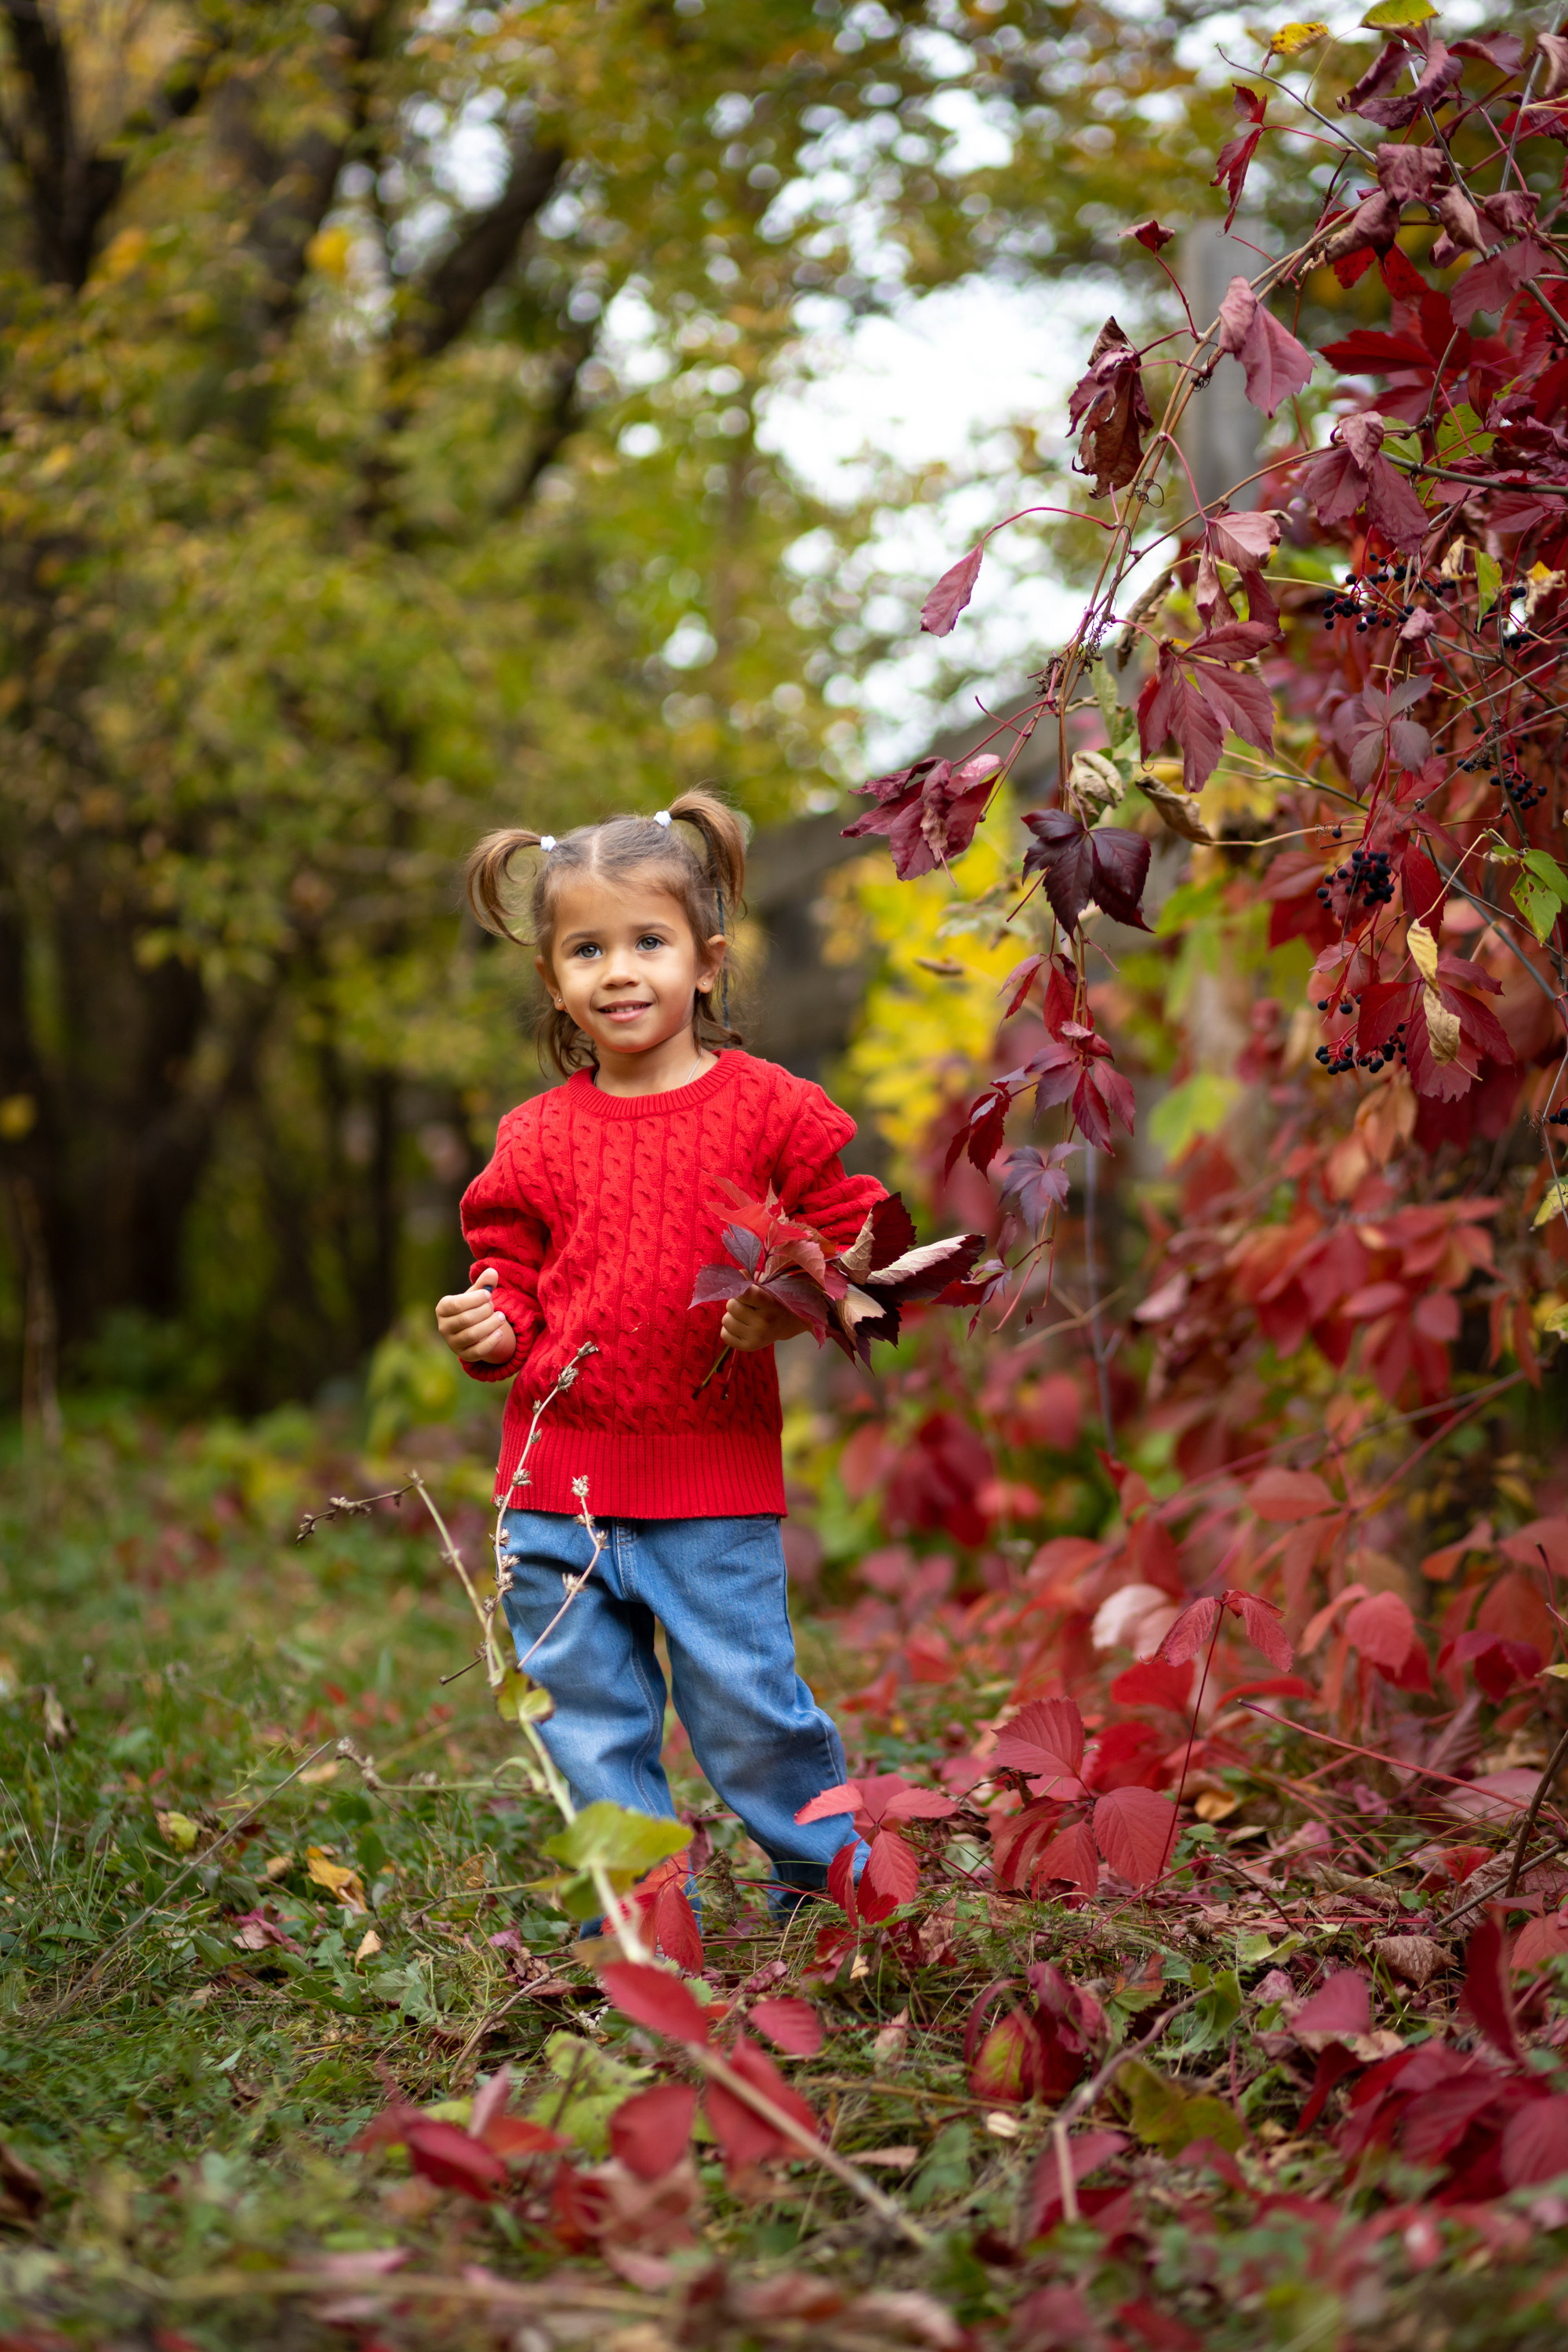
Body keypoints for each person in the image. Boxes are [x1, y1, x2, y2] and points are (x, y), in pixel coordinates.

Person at [434, 793, 880, 1916]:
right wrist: (492, 1322)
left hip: (710, 1488)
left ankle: (833, 1899)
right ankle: (641, 1928)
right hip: (557, 1493)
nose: (619, 972)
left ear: (707, 962)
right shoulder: (535, 1137)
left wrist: (789, 1303)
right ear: (553, 980)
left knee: (750, 1713)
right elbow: (510, 1272)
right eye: (587, 949)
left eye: (648, 941)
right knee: (587, 1723)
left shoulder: (769, 1110)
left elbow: (852, 1239)